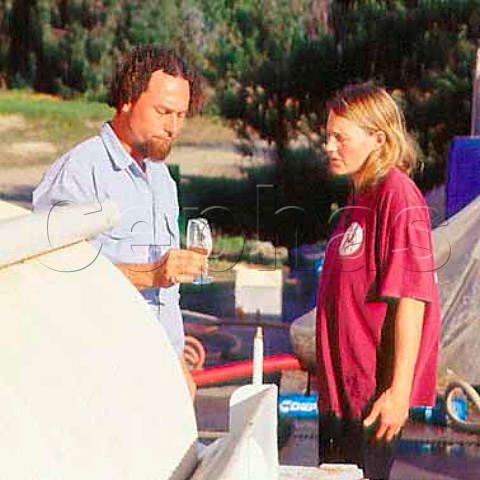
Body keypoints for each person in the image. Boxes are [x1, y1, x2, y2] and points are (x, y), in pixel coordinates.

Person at [33, 45, 206, 398]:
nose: (173, 127)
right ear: (127, 99)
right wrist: (150, 274)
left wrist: (178, 366)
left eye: (181, 115)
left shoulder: (162, 180)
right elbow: (52, 275)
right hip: (100, 383)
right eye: (163, 112)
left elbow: (164, 298)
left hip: (160, 379)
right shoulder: (80, 173)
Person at [316, 83, 440, 479]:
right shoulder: (359, 198)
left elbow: (412, 298)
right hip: (340, 393)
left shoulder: (397, 195)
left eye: (340, 137)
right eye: (328, 136)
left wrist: (399, 391)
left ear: (378, 138)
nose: (329, 146)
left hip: (372, 395)